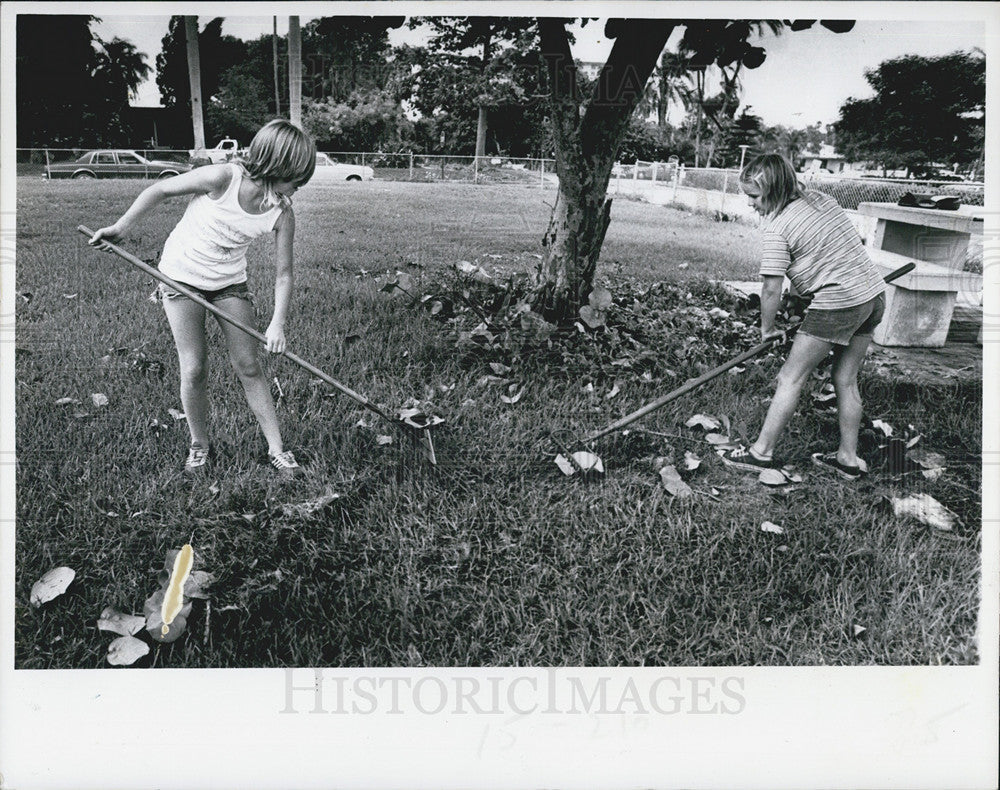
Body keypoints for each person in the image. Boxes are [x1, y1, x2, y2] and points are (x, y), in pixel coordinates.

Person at [89, 119, 316, 475]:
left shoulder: (282, 211)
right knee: (194, 368)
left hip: (229, 283)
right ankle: (199, 444)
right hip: (181, 279)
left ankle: (277, 449)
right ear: (276, 165)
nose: (299, 188)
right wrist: (120, 228)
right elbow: (161, 191)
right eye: (296, 179)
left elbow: (283, 274)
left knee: (250, 365)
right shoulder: (223, 178)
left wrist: (277, 324)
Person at [718, 153, 885, 481]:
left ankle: (760, 454)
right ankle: (847, 459)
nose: (749, 204)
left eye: (753, 196)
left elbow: (770, 287)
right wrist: (798, 309)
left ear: (774, 190)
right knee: (845, 379)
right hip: (873, 296)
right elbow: (814, 261)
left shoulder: (778, 227)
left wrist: (767, 329)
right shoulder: (824, 200)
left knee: (789, 378)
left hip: (839, 302)